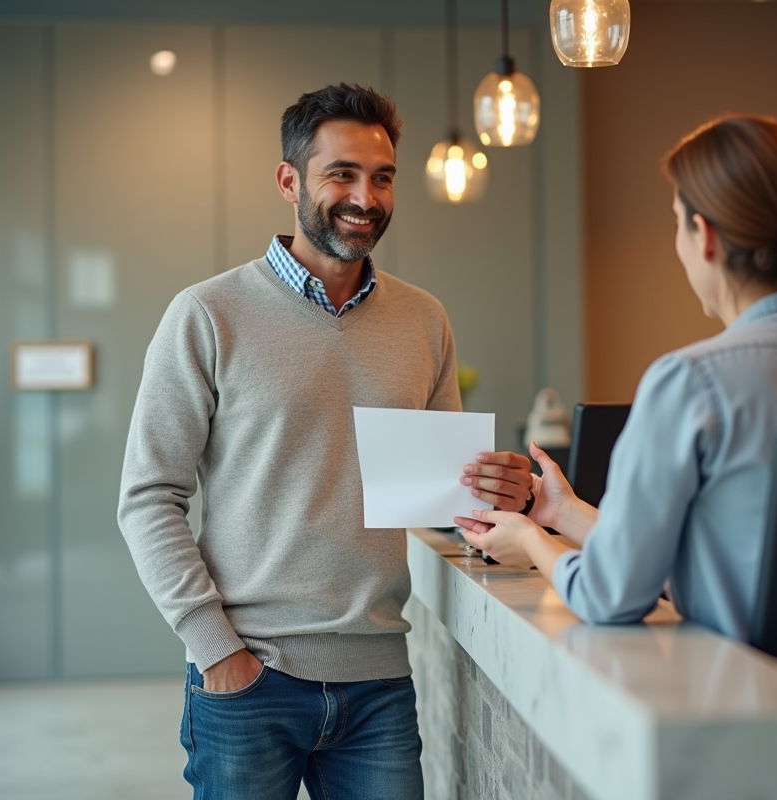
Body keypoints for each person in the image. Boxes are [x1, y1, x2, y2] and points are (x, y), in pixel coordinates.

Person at [118, 83, 532, 800]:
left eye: (381, 177)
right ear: (289, 181)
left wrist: (501, 494)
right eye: (341, 173)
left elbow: (443, 502)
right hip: (250, 678)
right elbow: (147, 497)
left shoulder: (424, 321)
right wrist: (216, 651)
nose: (365, 198)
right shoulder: (207, 315)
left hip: (378, 681)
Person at [457, 114, 777, 641]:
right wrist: (562, 514)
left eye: (677, 222)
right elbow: (730, 564)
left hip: (733, 696)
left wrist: (528, 540)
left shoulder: (689, 382)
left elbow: (610, 595)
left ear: (703, 236)